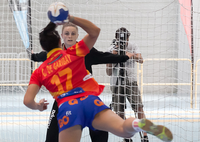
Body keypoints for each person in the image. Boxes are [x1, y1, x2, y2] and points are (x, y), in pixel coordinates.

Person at [23, 14, 173, 142]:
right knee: (122, 129)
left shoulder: (39, 71)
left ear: (43, 48)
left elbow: (27, 101)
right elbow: (95, 31)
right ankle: (136, 124)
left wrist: (38, 106)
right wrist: (70, 18)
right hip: (90, 100)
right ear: (59, 41)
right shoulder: (74, 51)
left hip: (68, 106)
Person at [30, 22, 134, 142]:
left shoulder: (83, 50)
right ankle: (133, 124)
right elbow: (41, 55)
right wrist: (33, 56)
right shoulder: (65, 52)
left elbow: (104, 56)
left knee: (100, 134)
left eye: (73, 33)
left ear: (77, 35)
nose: (70, 36)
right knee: (52, 134)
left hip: (73, 101)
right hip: (76, 100)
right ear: (61, 37)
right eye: (67, 33)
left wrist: (124, 57)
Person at [106, 27, 148, 142]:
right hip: (116, 83)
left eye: (125, 40)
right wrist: (112, 58)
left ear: (128, 38)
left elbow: (141, 60)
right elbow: (108, 72)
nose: (123, 43)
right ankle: (126, 136)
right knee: (119, 111)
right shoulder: (111, 49)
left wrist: (129, 55)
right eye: (120, 40)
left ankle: (144, 135)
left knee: (139, 107)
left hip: (131, 81)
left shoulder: (133, 46)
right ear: (116, 39)